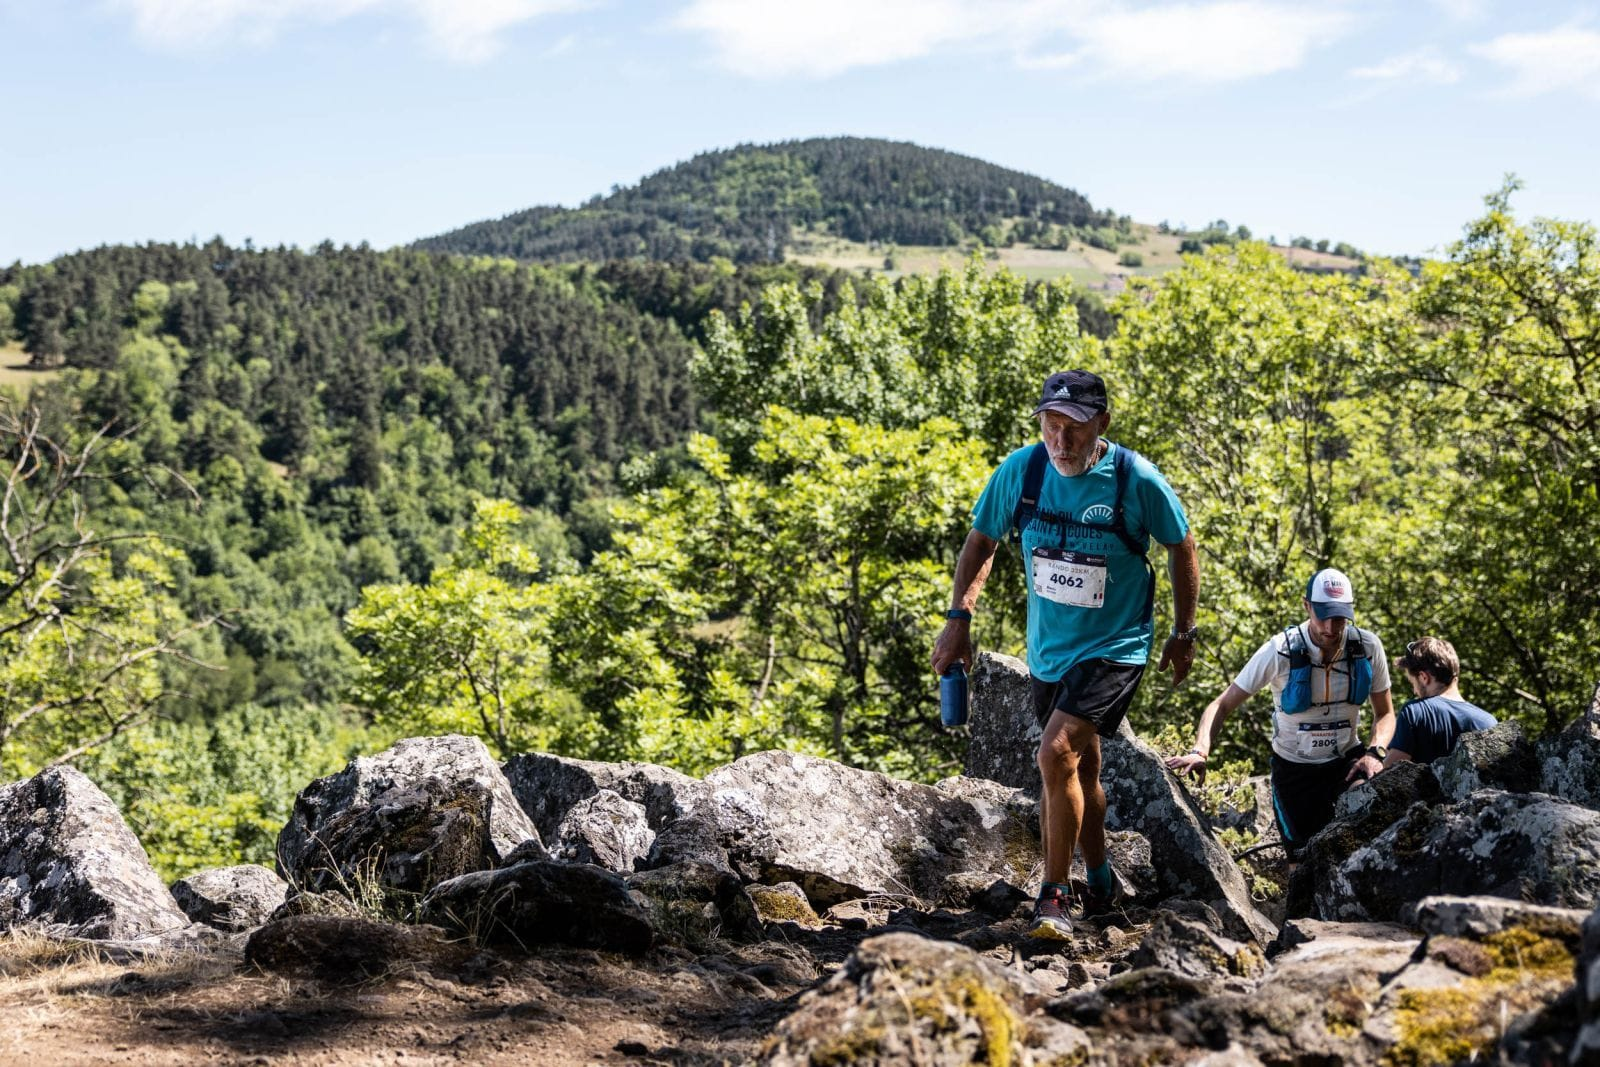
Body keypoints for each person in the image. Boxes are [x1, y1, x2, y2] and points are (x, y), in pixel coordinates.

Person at [931, 369, 1199, 940]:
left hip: (1117, 644)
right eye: (1052, 425)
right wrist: (959, 619)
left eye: (1074, 428)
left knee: (1054, 754)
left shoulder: (1134, 480)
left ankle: (1054, 898)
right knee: (1083, 767)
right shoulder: (1023, 472)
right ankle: (1102, 880)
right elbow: (982, 540)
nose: (1061, 441)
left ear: (1101, 423)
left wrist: (1183, 632)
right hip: (1050, 650)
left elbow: (1181, 544)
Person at [1164, 568, 1394, 858]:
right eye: (1322, 615)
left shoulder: (1367, 647)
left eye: (1339, 617)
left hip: (1345, 763)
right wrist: (1200, 751)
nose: (1330, 628)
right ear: (1306, 605)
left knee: (1360, 845)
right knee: (1301, 862)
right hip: (1294, 772)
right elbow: (1220, 705)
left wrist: (1375, 752)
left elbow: (1385, 714)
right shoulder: (1280, 650)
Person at [1383, 637, 1496, 766]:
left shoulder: (1415, 711)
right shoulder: (1489, 722)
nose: (1415, 691)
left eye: (1412, 683)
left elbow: (1390, 771)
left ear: (1424, 677)